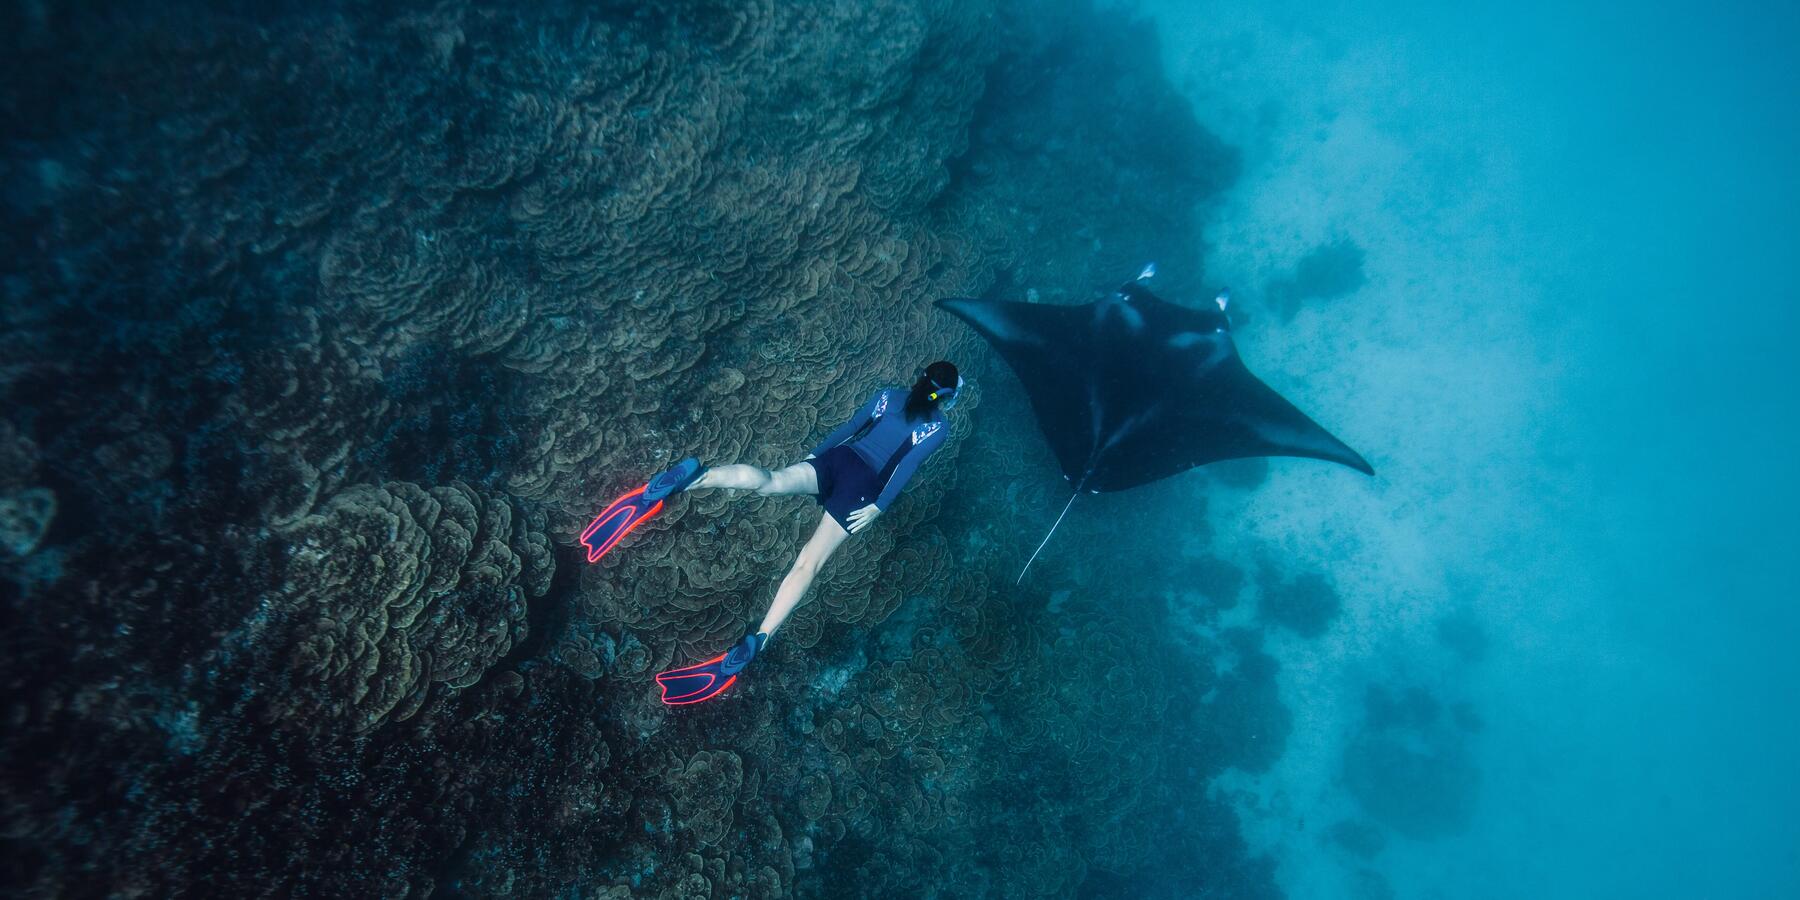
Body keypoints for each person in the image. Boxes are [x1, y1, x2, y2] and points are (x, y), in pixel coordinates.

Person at [649, 360, 963, 704]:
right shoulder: (938, 428)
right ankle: (759, 640)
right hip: (863, 487)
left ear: (920, 377)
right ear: (945, 396)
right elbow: (907, 466)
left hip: (837, 459)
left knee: (770, 480)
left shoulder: (888, 395)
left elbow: (850, 427)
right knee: (807, 564)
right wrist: (879, 507)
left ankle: (696, 478)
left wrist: (816, 457)